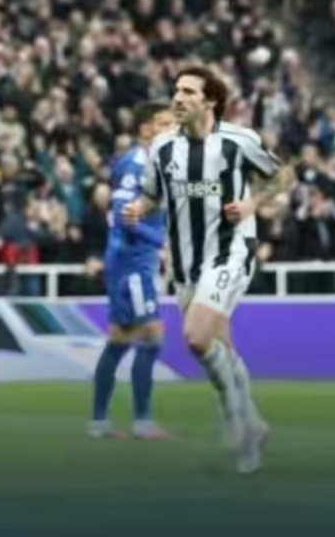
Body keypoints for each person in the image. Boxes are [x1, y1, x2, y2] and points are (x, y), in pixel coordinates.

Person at [123, 66, 285, 474]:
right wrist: (139, 208)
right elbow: (152, 194)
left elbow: (281, 176)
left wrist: (251, 205)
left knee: (196, 337)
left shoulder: (238, 141)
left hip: (230, 251)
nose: (178, 98)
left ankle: (234, 414)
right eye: (176, 90)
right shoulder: (162, 147)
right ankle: (252, 427)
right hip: (185, 264)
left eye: (189, 92)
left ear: (210, 100)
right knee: (219, 346)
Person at [89, 101, 175, 441]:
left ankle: (99, 422)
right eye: (165, 123)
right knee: (152, 335)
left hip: (136, 259)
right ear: (146, 129)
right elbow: (124, 214)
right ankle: (142, 422)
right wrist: (161, 243)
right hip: (131, 262)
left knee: (120, 339)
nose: (173, 129)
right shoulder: (134, 164)